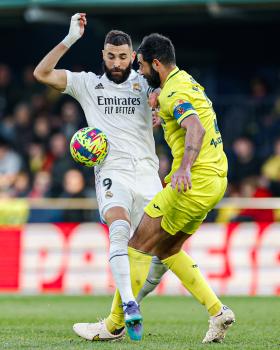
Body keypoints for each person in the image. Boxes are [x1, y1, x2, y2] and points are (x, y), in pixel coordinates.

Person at [75, 33, 236, 344]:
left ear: (156, 64)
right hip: (217, 179)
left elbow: (195, 126)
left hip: (193, 180)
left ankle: (113, 324)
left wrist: (185, 168)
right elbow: (190, 113)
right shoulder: (185, 81)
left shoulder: (172, 92)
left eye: (143, 66)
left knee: (136, 245)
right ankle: (218, 312)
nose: (140, 73)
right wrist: (162, 111)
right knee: (167, 248)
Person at [33, 14, 163, 340]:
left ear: (132, 57)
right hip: (112, 174)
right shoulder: (88, 84)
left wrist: (162, 115)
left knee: (165, 251)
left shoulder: (147, 84)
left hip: (148, 174)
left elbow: (173, 113)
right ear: (102, 56)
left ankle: (215, 310)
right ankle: (130, 305)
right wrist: (71, 38)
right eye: (110, 56)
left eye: (122, 56)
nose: (116, 62)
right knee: (118, 230)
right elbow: (41, 73)